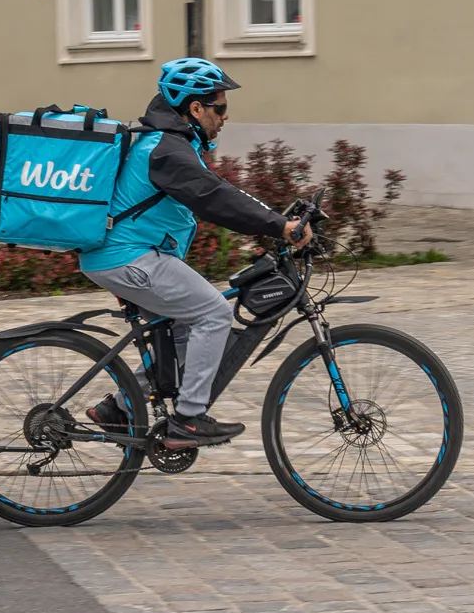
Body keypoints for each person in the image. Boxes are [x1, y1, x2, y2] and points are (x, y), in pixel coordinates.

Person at [79, 57, 314, 448]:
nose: (225, 117)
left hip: (128, 255)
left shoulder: (172, 144)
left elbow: (217, 193)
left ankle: (119, 409)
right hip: (126, 257)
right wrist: (280, 226)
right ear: (195, 108)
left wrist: (272, 221)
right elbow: (212, 196)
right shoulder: (166, 150)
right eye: (220, 108)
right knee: (214, 313)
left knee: (184, 333)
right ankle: (188, 421)